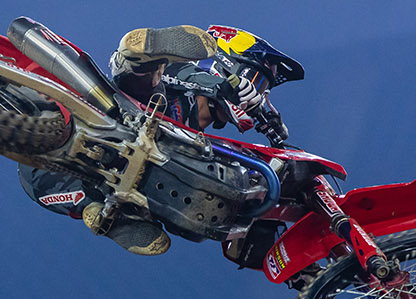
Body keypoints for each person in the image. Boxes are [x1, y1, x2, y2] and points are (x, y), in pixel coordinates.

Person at [19, 24, 303, 255]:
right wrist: (222, 87)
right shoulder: (183, 79)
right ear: (227, 66)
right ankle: (138, 55)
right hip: (87, 113)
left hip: (58, 177)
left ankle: (113, 219)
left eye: (262, 89)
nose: (257, 93)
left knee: (177, 193)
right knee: (153, 93)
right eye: (255, 79)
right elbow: (185, 75)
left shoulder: (197, 141)